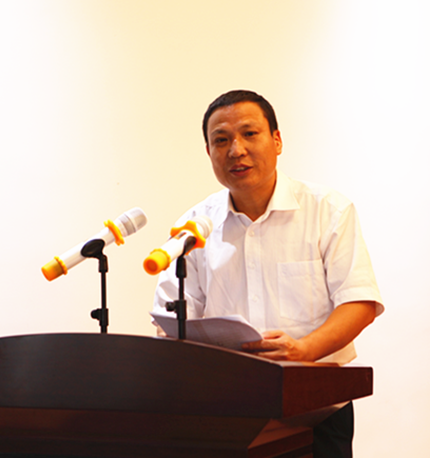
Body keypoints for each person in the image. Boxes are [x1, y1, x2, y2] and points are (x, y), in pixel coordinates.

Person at [152, 89, 384, 457]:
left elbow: (359, 302)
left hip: (319, 405)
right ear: (209, 152)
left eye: (249, 134)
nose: (236, 150)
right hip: (227, 407)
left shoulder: (328, 210)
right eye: (221, 140)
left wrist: (304, 349)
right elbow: (170, 320)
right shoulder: (193, 227)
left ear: (277, 141)